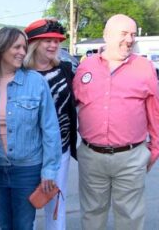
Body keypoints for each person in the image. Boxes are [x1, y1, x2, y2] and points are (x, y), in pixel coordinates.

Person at [73, 14, 159, 230]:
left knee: (130, 217)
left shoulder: (144, 67)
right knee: (92, 214)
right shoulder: (85, 67)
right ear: (107, 35)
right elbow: (72, 105)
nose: (129, 39)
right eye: (123, 34)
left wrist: (153, 150)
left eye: (133, 34)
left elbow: (155, 112)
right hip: (91, 157)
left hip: (131, 157)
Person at [0, 27, 61, 230]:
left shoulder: (36, 82)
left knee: (24, 226)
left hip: (27, 169)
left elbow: (50, 129)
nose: (22, 52)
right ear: (1, 48)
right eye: (16, 46)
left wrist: (49, 170)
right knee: (1, 225)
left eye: (24, 47)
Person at [24, 19, 78, 230]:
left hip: (59, 150)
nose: (53, 45)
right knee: (25, 205)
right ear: (34, 44)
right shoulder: (20, 73)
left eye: (56, 41)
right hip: (28, 152)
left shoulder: (65, 70)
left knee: (56, 203)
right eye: (47, 40)